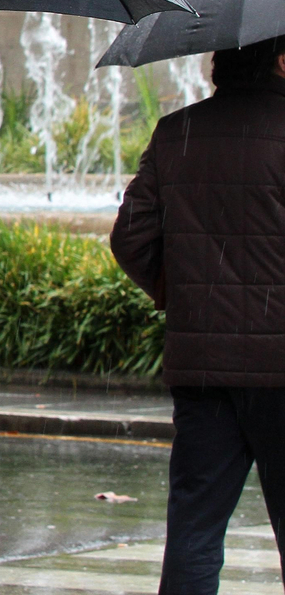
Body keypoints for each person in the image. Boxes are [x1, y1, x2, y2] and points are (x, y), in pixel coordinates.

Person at [111, 37, 285, 593]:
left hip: (203, 368)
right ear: (281, 62)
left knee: (194, 531)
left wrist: (175, 290)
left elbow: (130, 237)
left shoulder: (177, 132)